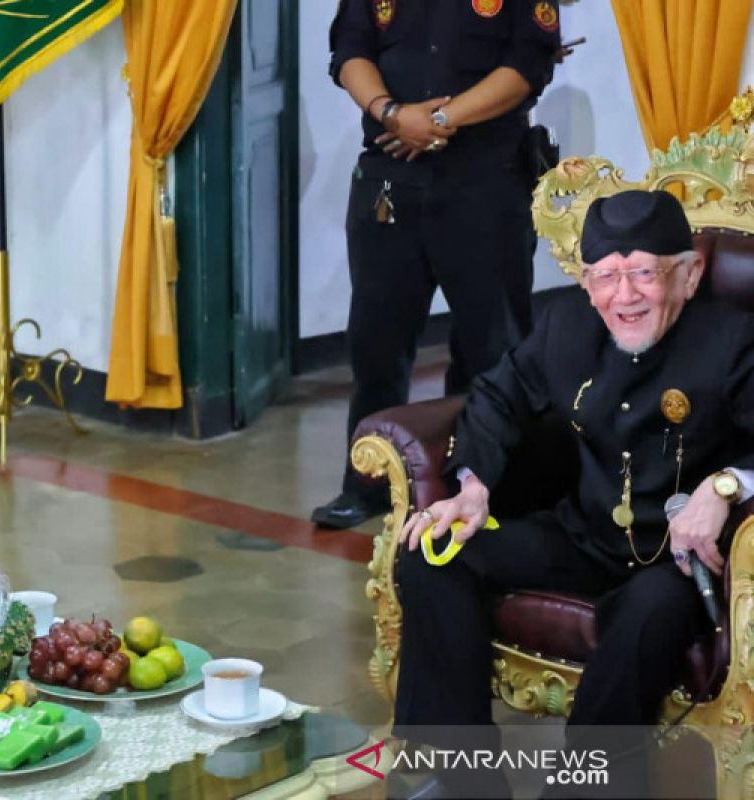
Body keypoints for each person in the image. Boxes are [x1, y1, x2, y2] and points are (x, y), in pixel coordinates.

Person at [391, 190, 754, 797]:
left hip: (678, 563)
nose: (625, 296)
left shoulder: (735, 340)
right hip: (583, 533)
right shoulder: (566, 325)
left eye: (644, 273)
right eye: (606, 277)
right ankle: (462, 776)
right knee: (432, 552)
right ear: (586, 285)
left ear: (688, 275)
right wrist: (472, 488)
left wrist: (724, 486)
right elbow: (496, 397)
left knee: (645, 615)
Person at [312, 0, 562, 529]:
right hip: (389, 181)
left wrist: (440, 120)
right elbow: (349, 50)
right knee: (376, 345)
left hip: (486, 183)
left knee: (492, 349)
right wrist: (392, 114)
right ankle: (368, 484)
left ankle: (483, 483)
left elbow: (527, 66)